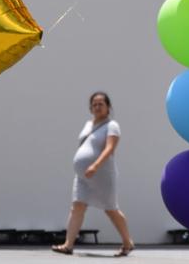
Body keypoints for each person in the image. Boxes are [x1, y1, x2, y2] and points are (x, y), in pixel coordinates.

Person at [52, 91, 135, 257]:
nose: (97, 107)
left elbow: (110, 148)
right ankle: (68, 245)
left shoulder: (112, 126)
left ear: (108, 107)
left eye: (101, 104)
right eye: (94, 104)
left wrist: (95, 165)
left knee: (111, 209)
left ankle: (128, 242)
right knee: (77, 206)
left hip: (102, 174)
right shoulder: (88, 124)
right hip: (83, 176)